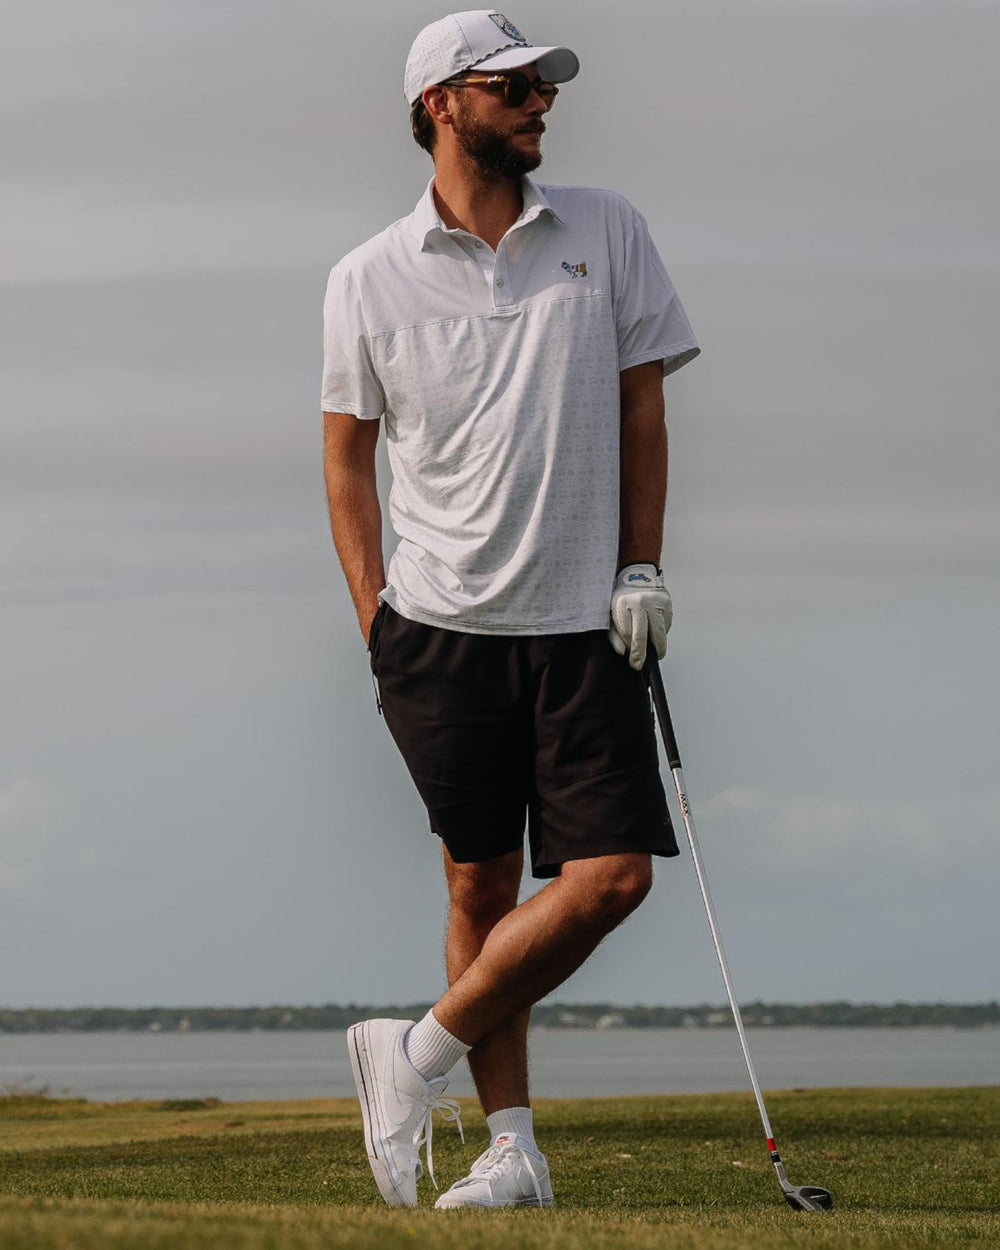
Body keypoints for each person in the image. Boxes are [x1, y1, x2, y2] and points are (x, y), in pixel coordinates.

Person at [321, 9, 700, 1210]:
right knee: (478, 892)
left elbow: (642, 408)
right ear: (440, 103)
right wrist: (375, 617)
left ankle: (415, 1049)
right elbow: (347, 459)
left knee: (613, 876)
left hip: (585, 624)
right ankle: (511, 1149)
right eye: (513, 86)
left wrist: (641, 567)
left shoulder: (607, 228)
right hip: (436, 633)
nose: (541, 100)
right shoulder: (366, 275)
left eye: (542, 84)